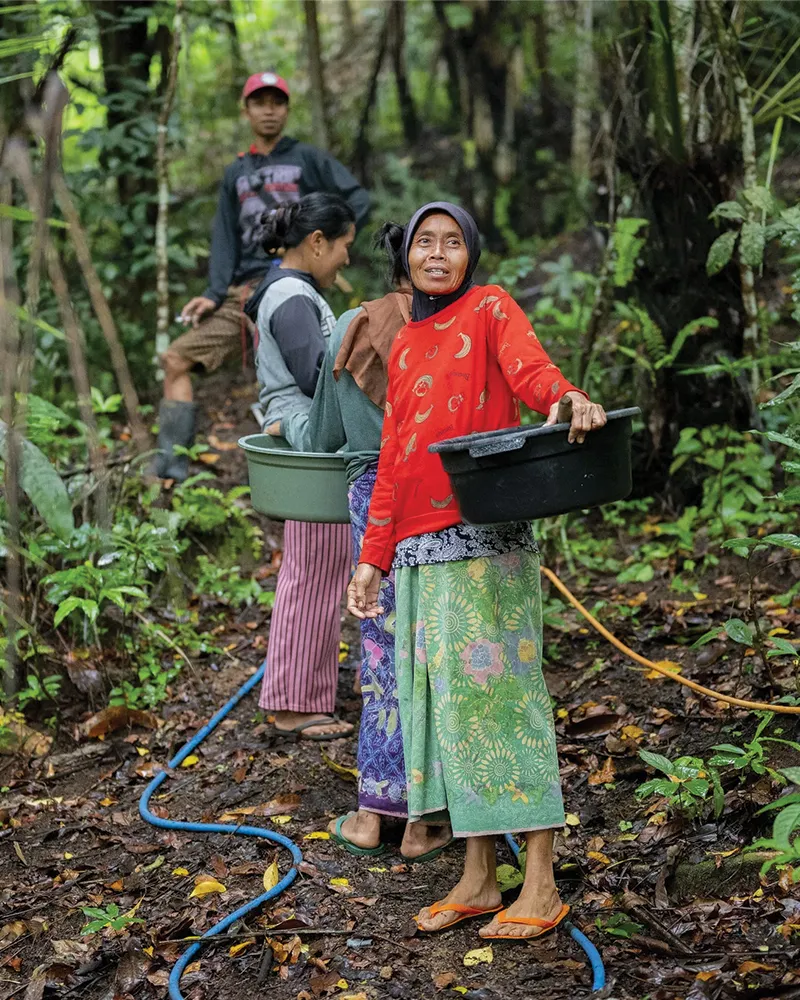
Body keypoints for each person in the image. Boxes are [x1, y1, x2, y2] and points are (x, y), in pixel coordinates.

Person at [348, 202, 607, 938]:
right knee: (450, 712)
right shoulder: (404, 344)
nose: (437, 254)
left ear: (471, 253)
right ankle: (477, 874)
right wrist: (372, 560)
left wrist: (569, 401)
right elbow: (397, 455)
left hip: (486, 540)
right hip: (420, 555)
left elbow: (532, 373)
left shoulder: (491, 309)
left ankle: (541, 883)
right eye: (424, 243)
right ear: (406, 258)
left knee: (502, 701)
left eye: (452, 242)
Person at [268, 223, 451, 860]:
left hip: (368, 493)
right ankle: (426, 821)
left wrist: (283, 421)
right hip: (438, 494)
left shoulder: (352, 323)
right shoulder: (451, 325)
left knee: (380, 646)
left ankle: (373, 814)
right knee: (436, 644)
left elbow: (321, 434)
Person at [153, 71, 370, 481]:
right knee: (175, 358)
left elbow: (357, 195)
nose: (269, 110)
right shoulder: (236, 172)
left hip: (294, 282)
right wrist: (215, 292)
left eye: (277, 102)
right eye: (260, 102)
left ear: (287, 110)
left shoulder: (306, 157)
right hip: (243, 291)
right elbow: (224, 234)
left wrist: (334, 239)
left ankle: (307, 467)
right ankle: (171, 471)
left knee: (311, 373)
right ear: (247, 110)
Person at [245, 192, 357, 740]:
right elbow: (317, 376)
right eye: (343, 247)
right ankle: (293, 703)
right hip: (309, 447)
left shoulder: (290, 289)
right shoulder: (291, 294)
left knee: (322, 566)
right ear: (317, 242)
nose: (345, 260)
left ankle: (304, 691)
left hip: (314, 443)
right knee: (313, 570)